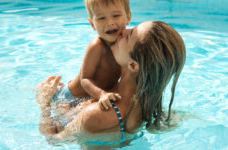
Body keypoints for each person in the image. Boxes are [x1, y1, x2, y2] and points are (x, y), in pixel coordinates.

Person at [37, 21, 186, 147]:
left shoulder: (95, 116)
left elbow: (53, 140)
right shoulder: (147, 100)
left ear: (133, 66)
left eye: (129, 36)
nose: (122, 31)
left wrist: (44, 104)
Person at [53, 0, 131, 110]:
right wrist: (101, 94)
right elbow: (85, 79)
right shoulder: (97, 46)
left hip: (93, 97)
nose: (110, 22)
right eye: (101, 18)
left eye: (116, 15)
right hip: (69, 97)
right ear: (92, 24)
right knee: (58, 125)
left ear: (128, 17)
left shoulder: (130, 43)